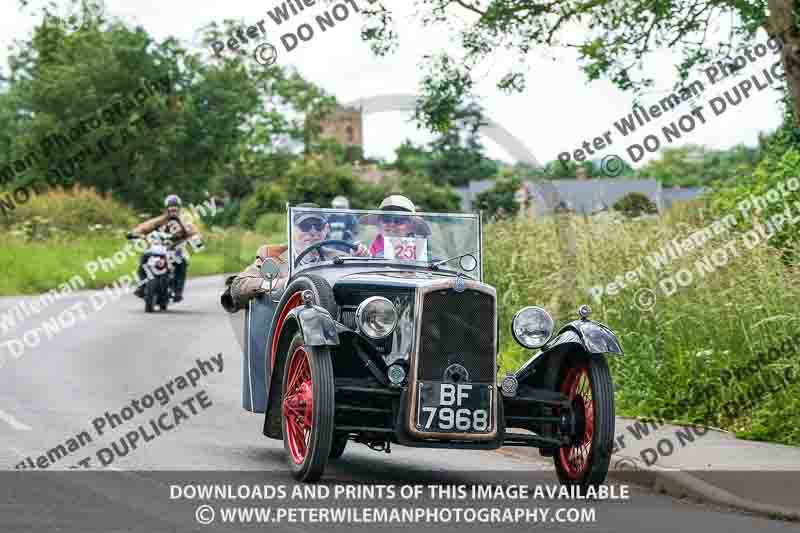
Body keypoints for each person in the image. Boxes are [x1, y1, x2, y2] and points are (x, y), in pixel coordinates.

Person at [221, 203, 368, 312]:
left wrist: (363, 260)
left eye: (317, 226)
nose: (311, 232)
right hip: (285, 323)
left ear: (326, 229)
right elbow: (240, 285)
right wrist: (282, 284)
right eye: (304, 226)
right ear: (292, 229)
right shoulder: (273, 255)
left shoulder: (339, 257)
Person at [131, 194, 201, 302]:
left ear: (179, 208)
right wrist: (135, 233)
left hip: (176, 250)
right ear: (166, 208)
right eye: (170, 206)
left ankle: (178, 291)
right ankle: (141, 286)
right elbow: (145, 227)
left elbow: (194, 232)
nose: (173, 209)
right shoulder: (160, 220)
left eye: (175, 206)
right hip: (157, 248)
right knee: (144, 258)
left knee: (182, 262)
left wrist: (196, 239)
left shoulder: (184, 222)